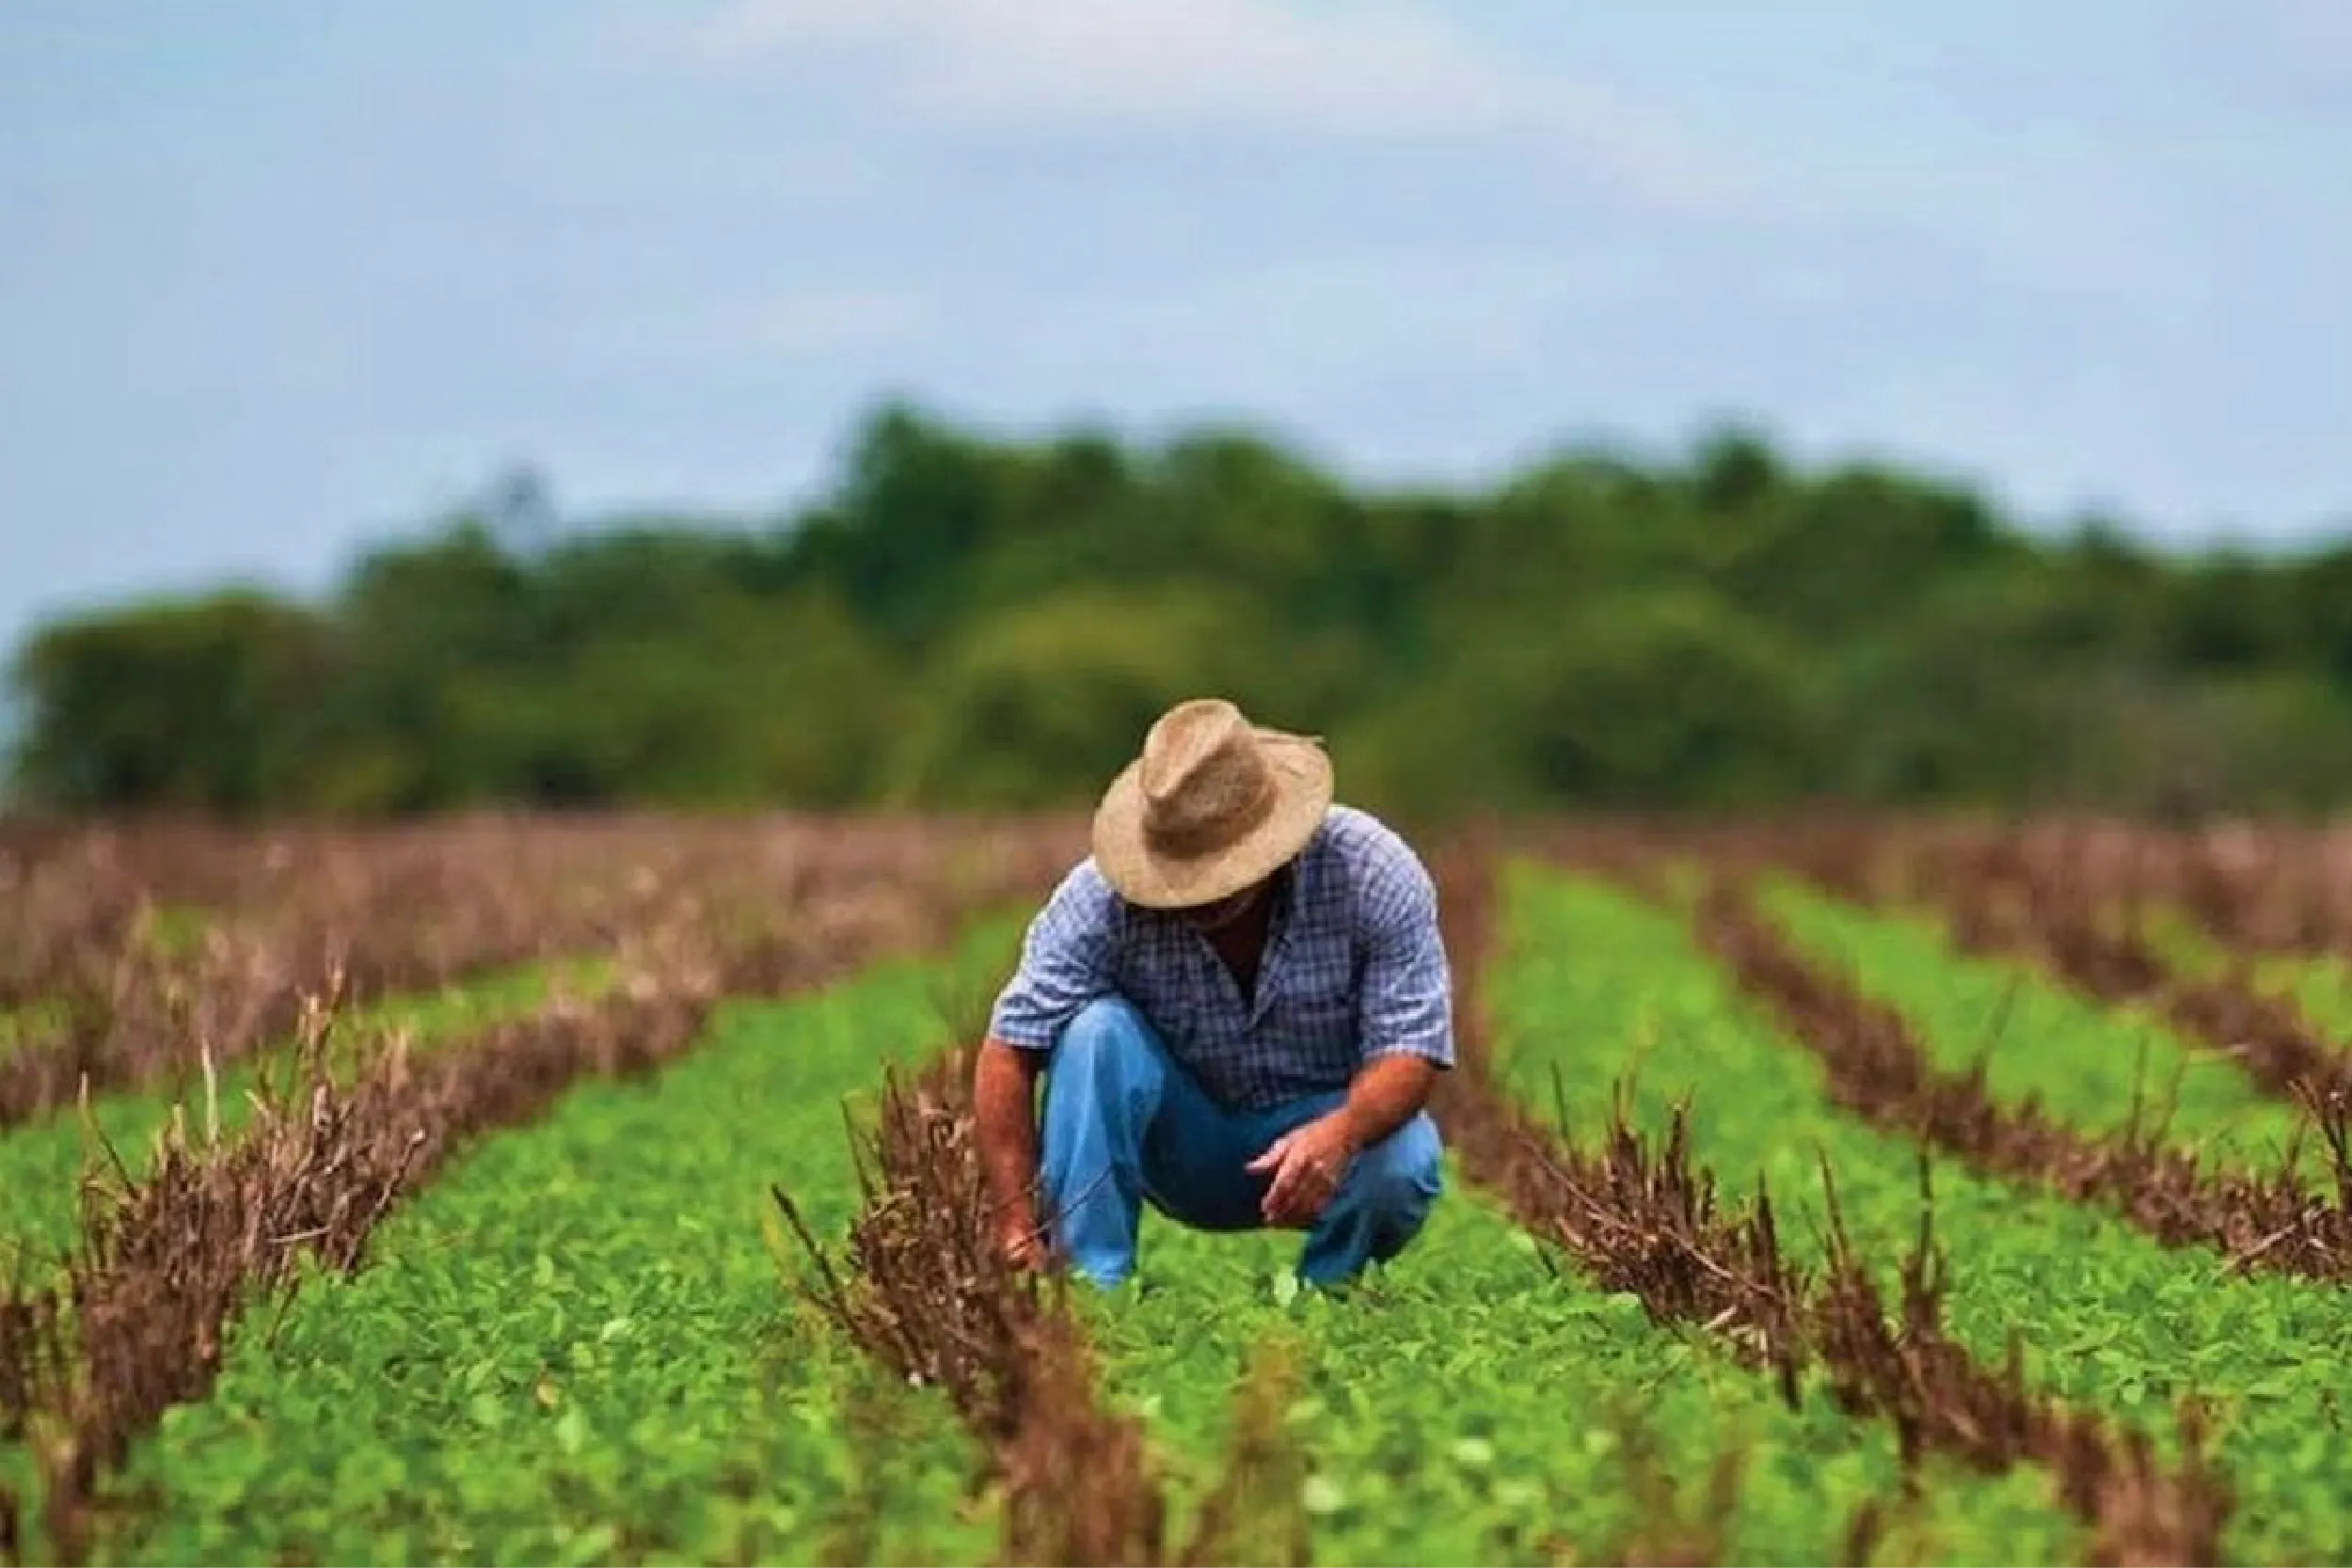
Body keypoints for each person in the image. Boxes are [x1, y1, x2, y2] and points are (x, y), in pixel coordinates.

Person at [972, 695, 1451, 1289]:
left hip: (1323, 1131)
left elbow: (1412, 1050)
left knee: (1403, 1158)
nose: (1202, 894)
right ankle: (1090, 1290)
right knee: (1095, 1033)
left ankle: (1329, 1296)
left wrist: (1342, 1131)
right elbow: (1007, 1050)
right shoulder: (1098, 901)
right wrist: (1016, 1226)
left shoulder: (1371, 871)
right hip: (1182, 1146)